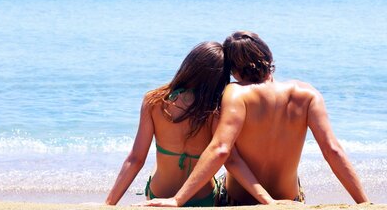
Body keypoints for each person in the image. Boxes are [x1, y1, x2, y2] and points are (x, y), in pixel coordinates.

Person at [143, 31, 370, 206]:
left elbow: (221, 149)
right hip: (290, 198)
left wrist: (178, 199)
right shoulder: (308, 94)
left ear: (234, 72)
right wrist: (364, 203)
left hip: (237, 199)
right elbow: (333, 151)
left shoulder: (235, 93)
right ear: (269, 57)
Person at [105, 41, 283, 206]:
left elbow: (136, 159)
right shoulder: (216, 109)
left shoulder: (154, 101)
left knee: (158, 164)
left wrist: (108, 204)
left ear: (189, 66)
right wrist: (267, 200)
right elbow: (232, 160)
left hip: (159, 194)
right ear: (220, 77)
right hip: (203, 198)